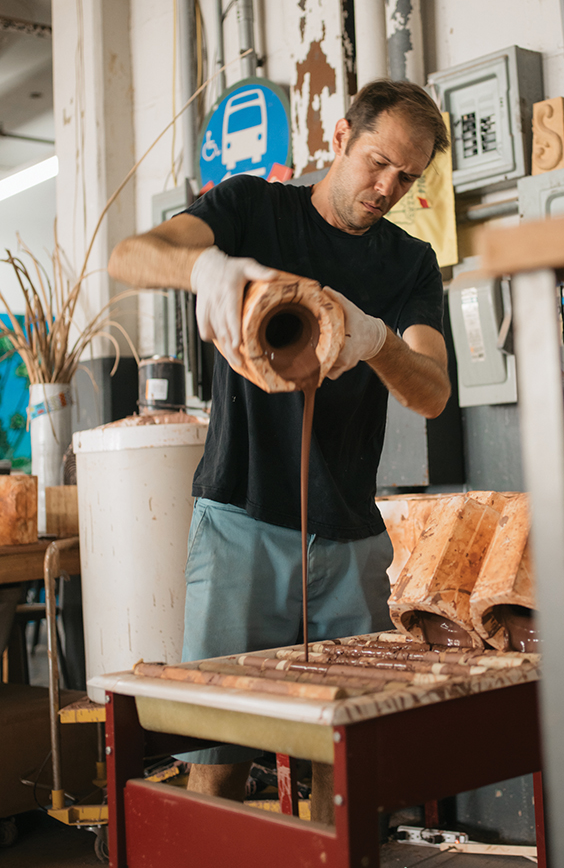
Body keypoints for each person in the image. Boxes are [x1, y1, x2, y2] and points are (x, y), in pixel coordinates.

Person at [108, 79, 451, 808]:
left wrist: (376, 339)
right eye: (378, 162)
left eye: (407, 177)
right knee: (218, 749)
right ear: (341, 136)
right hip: (242, 519)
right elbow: (131, 256)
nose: (387, 188)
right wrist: (205, 266)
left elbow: (432, 391)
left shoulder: (409, 263)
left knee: (346, 759)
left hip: (353, 538)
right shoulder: (251, 209)